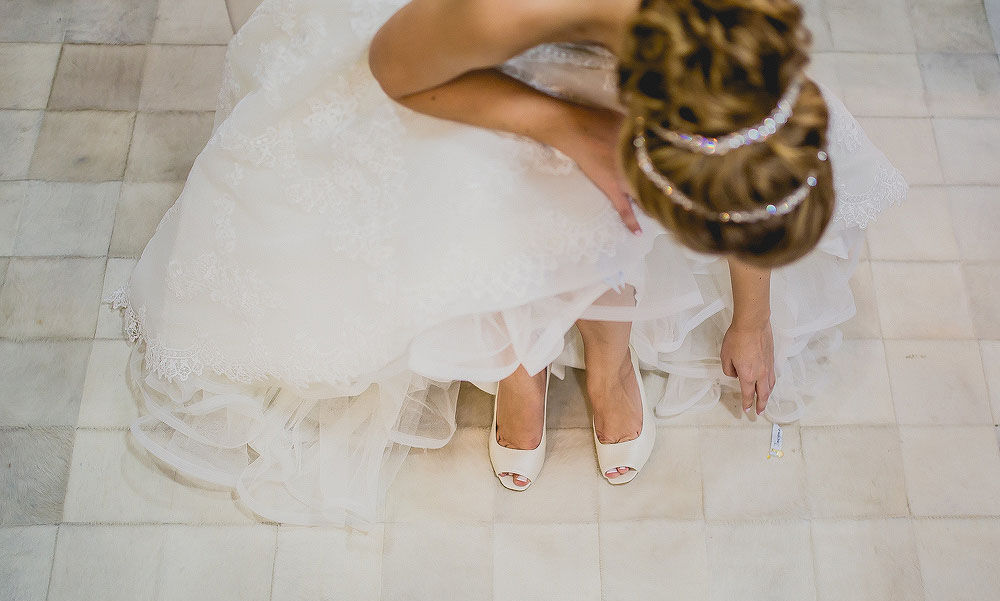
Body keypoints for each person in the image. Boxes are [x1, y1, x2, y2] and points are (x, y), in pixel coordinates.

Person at [112, 0, 906, 528]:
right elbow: (396, 72)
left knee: (599, 203)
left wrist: (753, 316)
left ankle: (609, 358)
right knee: (486, 182)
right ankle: (517, 366)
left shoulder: (739, 34)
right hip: (455, 57)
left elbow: (743, 165)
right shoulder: (509, 8)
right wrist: (563, 124)